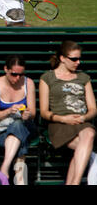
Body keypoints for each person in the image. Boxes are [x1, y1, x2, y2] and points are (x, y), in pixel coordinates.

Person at [39, 40, 97, 185]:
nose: (78, 62)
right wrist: (64, 119)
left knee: (88, 134)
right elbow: (44, 112)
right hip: (59, 124)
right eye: (74, 59)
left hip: (82, 123)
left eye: (79, 58)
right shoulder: (48, 78)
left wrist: (83, 117)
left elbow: (93, 109)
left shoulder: (83, 78)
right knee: (84, 148)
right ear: (62, 58)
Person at [0, 54, 37, 185]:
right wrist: (9, 111)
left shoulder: (28, 83)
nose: (17, 78)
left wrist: (28, 114)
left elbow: (33, 113)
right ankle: (20, 181)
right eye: (14, 74)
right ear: (6, 69)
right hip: (1, 128)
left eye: (21, 74)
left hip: (25, 125)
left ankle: (5, 167)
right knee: (19, 133)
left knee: (19, 124)